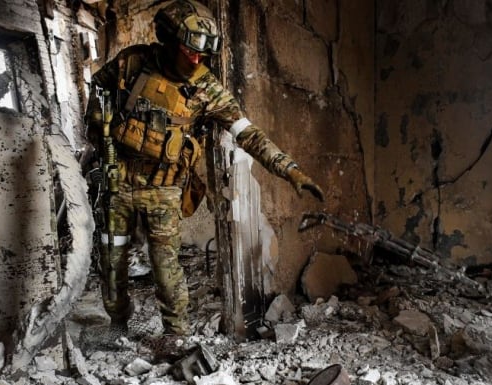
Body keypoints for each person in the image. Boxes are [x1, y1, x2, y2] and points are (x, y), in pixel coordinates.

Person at [86, 0, 324, 338]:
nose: (196, 60)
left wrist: (290, 170)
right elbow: (98, 86)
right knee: (112, 262)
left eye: (202, 54)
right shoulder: (133, 62)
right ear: (169, 40)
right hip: (117, 183)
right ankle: (118, 322)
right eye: (189, 51)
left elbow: (248, 134)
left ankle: (176, 334)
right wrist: (100, 129)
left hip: (163, 192)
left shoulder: (207, 89)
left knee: (166, 269)